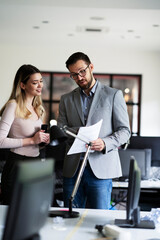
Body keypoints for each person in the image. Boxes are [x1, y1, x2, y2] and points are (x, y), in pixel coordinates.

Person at [57, 52, 130, 209]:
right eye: (74, 75)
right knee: (70, 217)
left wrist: (105, 142)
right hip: (73, 169)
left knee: (100, 218)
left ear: (91, 67)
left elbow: (125, 131)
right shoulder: (66, 99)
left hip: (101, 168)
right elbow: (61, 129)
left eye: (82, 71)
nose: (79, 77)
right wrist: (79, 132)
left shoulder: (113, 95)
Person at [0, 64, 50, 204]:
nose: (40, 85)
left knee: (31, 211)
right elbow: (0, 140)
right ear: (22, 85)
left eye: (41, 81)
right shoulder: (13, 105)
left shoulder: (37, 109)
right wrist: (32, 140)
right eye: (35, 82)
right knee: (13, 214)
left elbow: (34, 143)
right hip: (17, 164)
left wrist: (42, 142)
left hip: (35, 163)